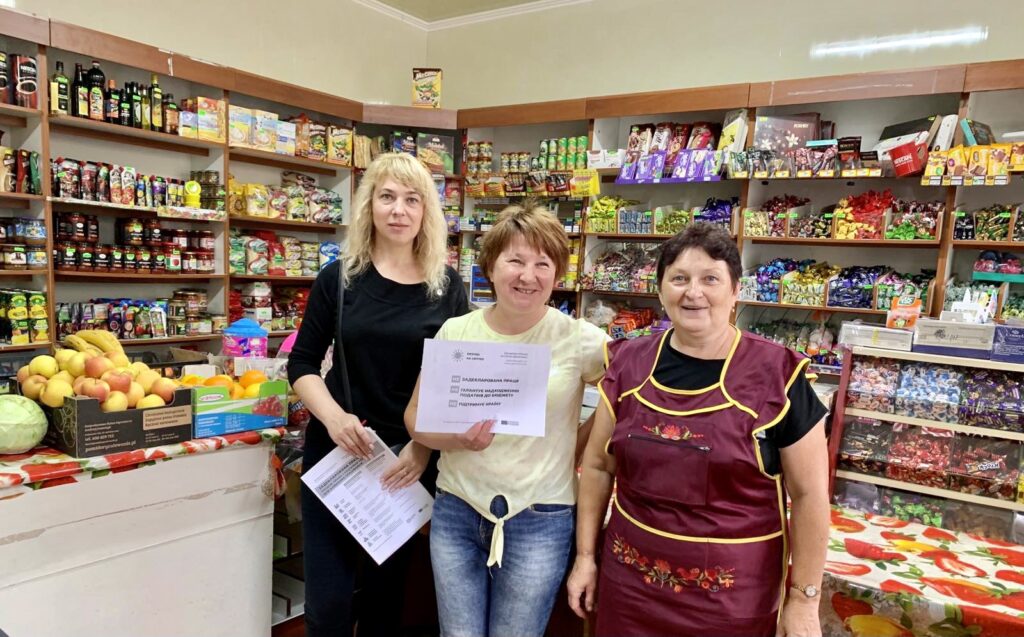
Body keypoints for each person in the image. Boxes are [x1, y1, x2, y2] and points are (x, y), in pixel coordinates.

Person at [567, 223, 830, 637]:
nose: (693, 293)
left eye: (710, 279)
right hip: (629, 589)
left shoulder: (778, 375)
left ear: (735, 290)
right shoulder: (627, 364)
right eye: (679, 279)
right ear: (660, 291)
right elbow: (599, 467)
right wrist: (586, 557)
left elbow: (810, 495)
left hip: (731, 603)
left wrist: (804, 599)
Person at [404, 203, 609, 637]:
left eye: (542, 264)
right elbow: (415, 418)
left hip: (542, 515)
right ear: (491, 267)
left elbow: (622, 398)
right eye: (515, 260)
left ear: (558, 274)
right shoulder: (456, 332)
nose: (527, 276)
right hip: (458, 507)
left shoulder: (580, 339)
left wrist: (579, 442)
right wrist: (458, 439)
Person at [288, 152, 468, 637]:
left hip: (403, 463)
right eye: (387, 197)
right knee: (327, 606)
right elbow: (302, 364)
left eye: (412, 199)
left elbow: (453, 380)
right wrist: (333, 418)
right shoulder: (339, 279)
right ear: (369, 205)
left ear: (427, 211)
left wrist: (422, 447)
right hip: (337, 456)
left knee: (386, 603)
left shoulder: (447, 289)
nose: (399, 210)